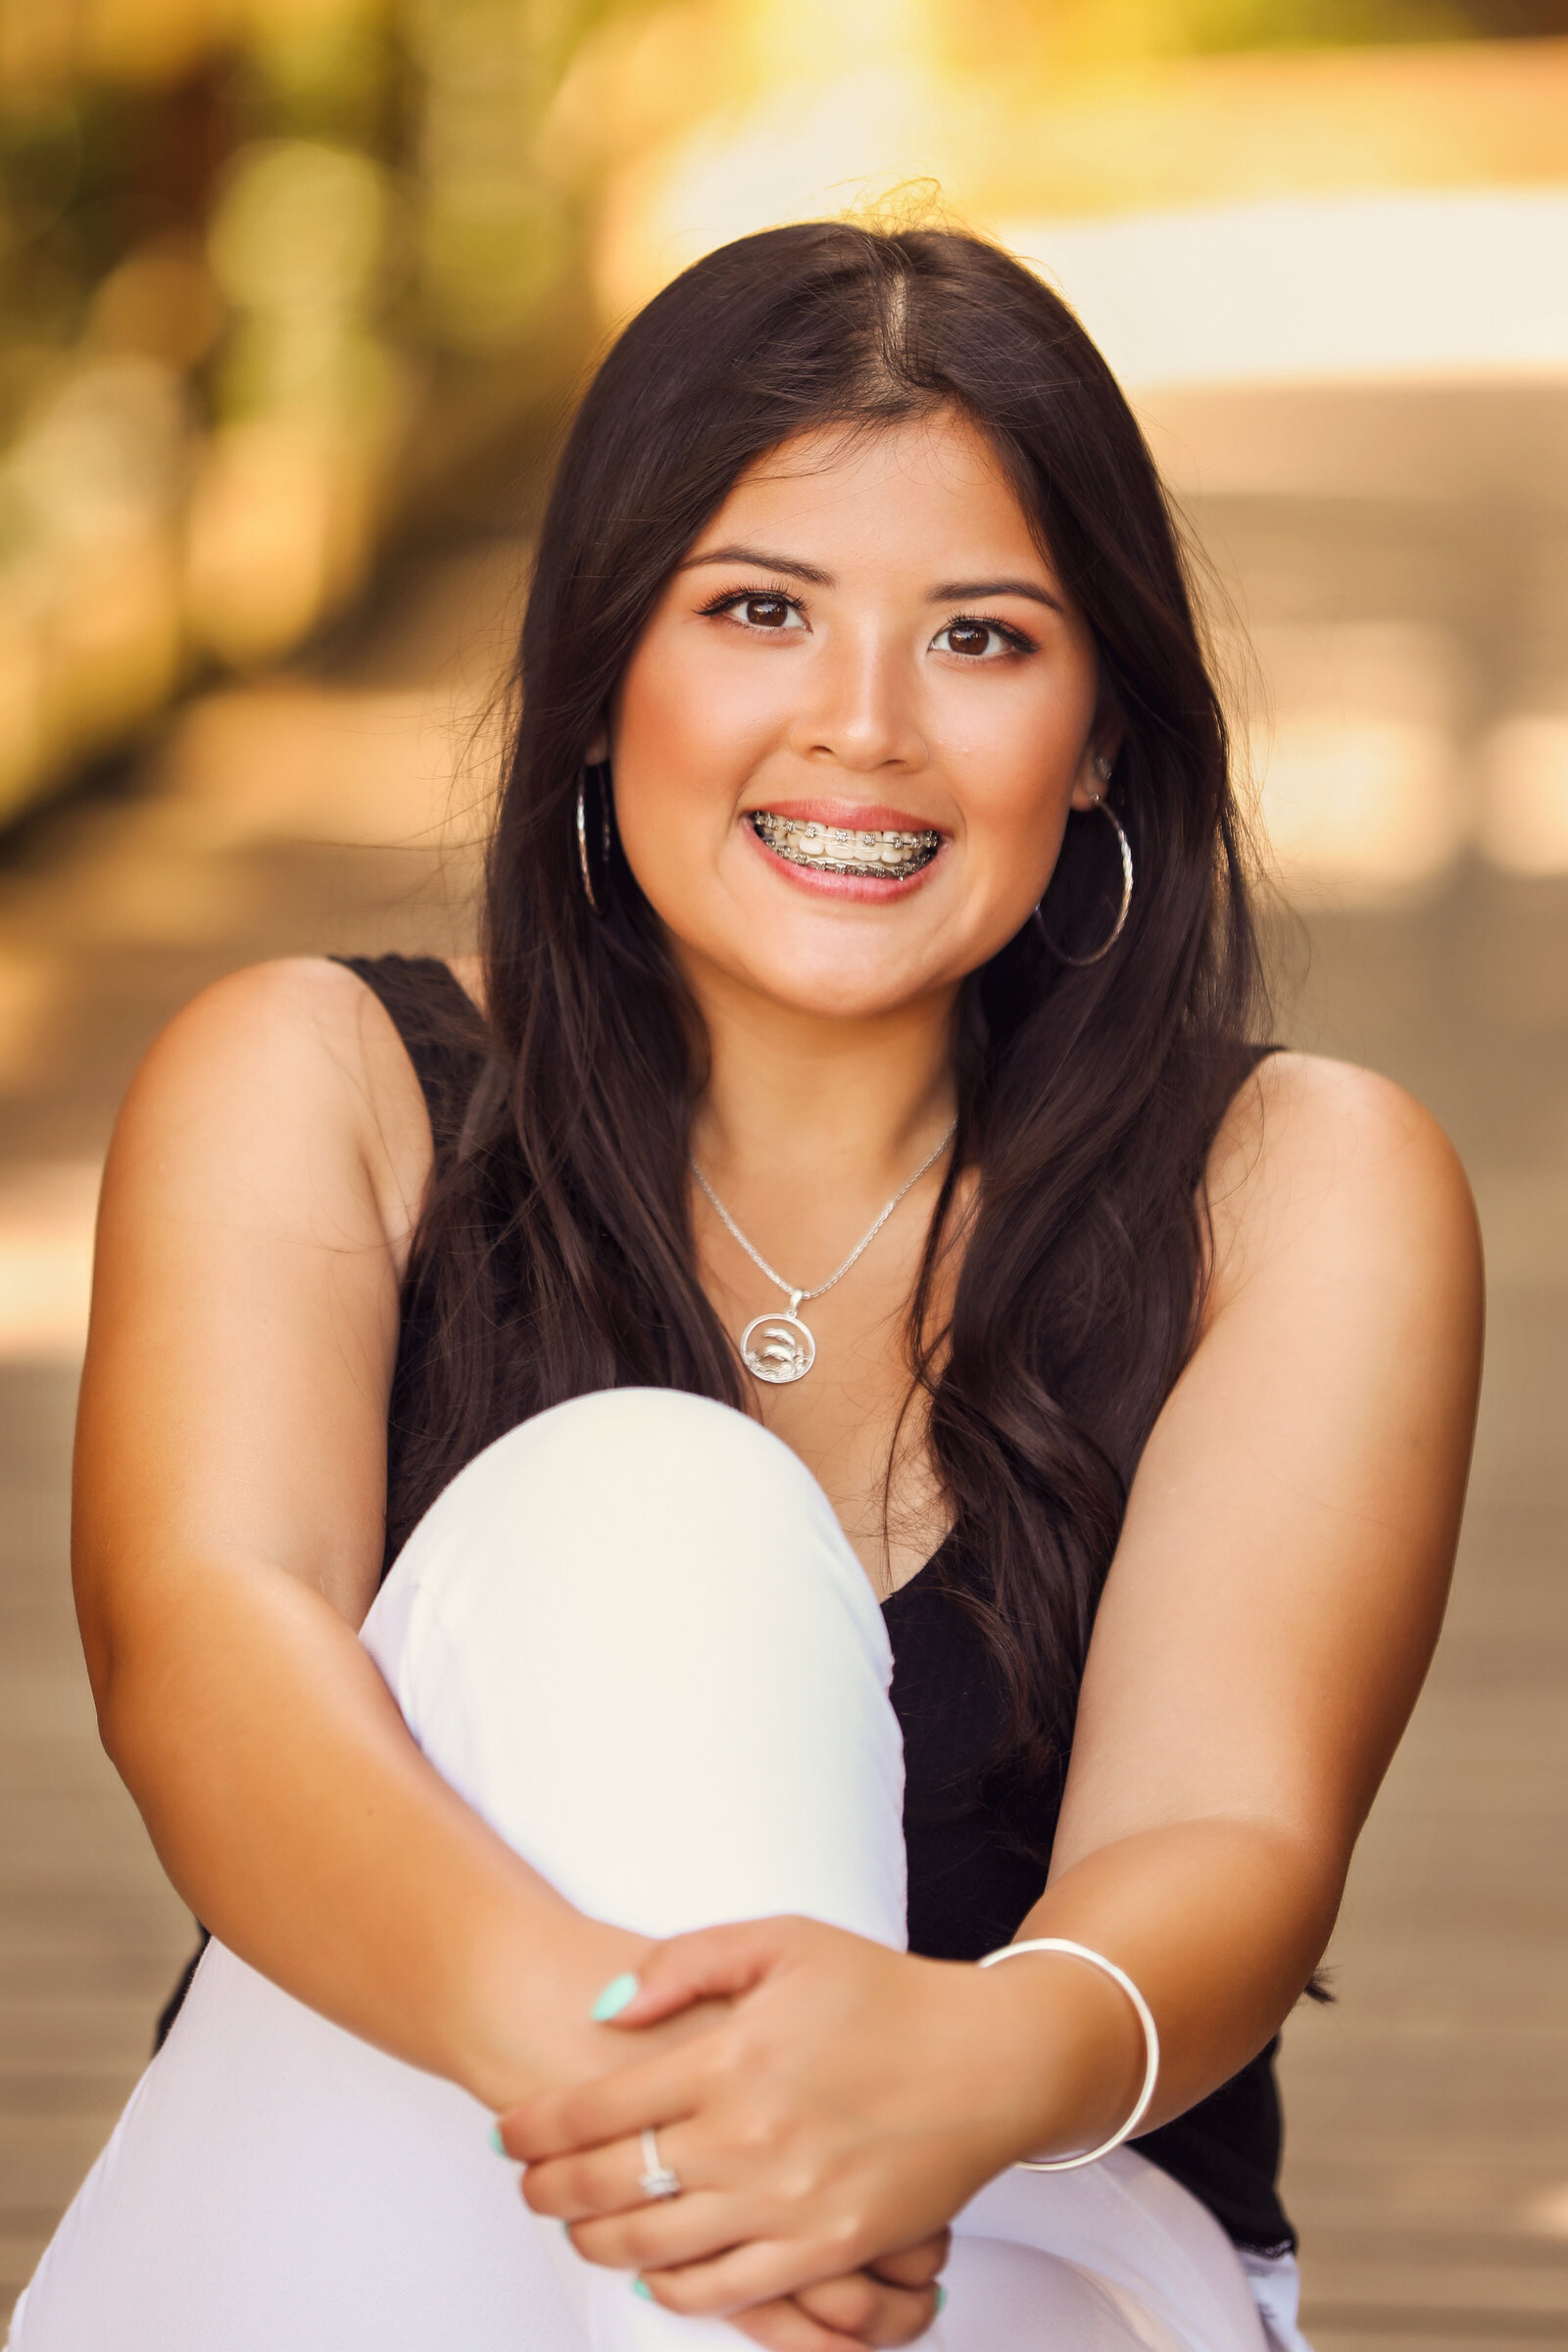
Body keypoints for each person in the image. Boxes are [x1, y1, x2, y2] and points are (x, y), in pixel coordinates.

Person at [11, 222, 1481, 2352]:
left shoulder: (1295, 1187)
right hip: (404, 2180)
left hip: (1019, 2235)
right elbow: (200, 1654)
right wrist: (654, 2091)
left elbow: (1229, 1834)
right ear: (607, 675)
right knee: (644, 1506)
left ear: (1093, 744)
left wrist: (938, 2084)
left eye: (979, 640)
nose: (861, 727)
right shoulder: (319, 1085)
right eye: (758, 612)